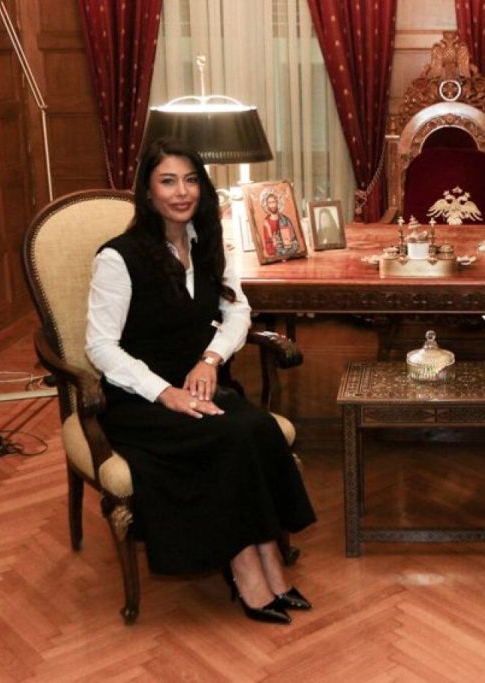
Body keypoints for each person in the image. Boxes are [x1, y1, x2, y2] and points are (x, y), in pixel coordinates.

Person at [85, 138, 316, 625]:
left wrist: (211, 359)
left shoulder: (208, 242)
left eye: (190, 180)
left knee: (257, 428)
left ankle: (267, 558)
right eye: (167, 181)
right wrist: (164, 393)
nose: (181, 192)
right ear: (148, 190)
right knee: (231, 435)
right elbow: (100, 347)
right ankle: (246, 568)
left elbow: (238, 312)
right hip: (140, 402)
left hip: (200, 387)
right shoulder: (119, 258)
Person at [260, 190, 300, 258]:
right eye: (269, 203)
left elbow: (294, 241)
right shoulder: (267, 223)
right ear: (267, 205)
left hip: (289, 251)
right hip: (277, 254)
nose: (272, 205)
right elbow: (269, 248)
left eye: (274, 202)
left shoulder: (285, 220)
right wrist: (274, 242)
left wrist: (289, 242)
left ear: (277, 202)